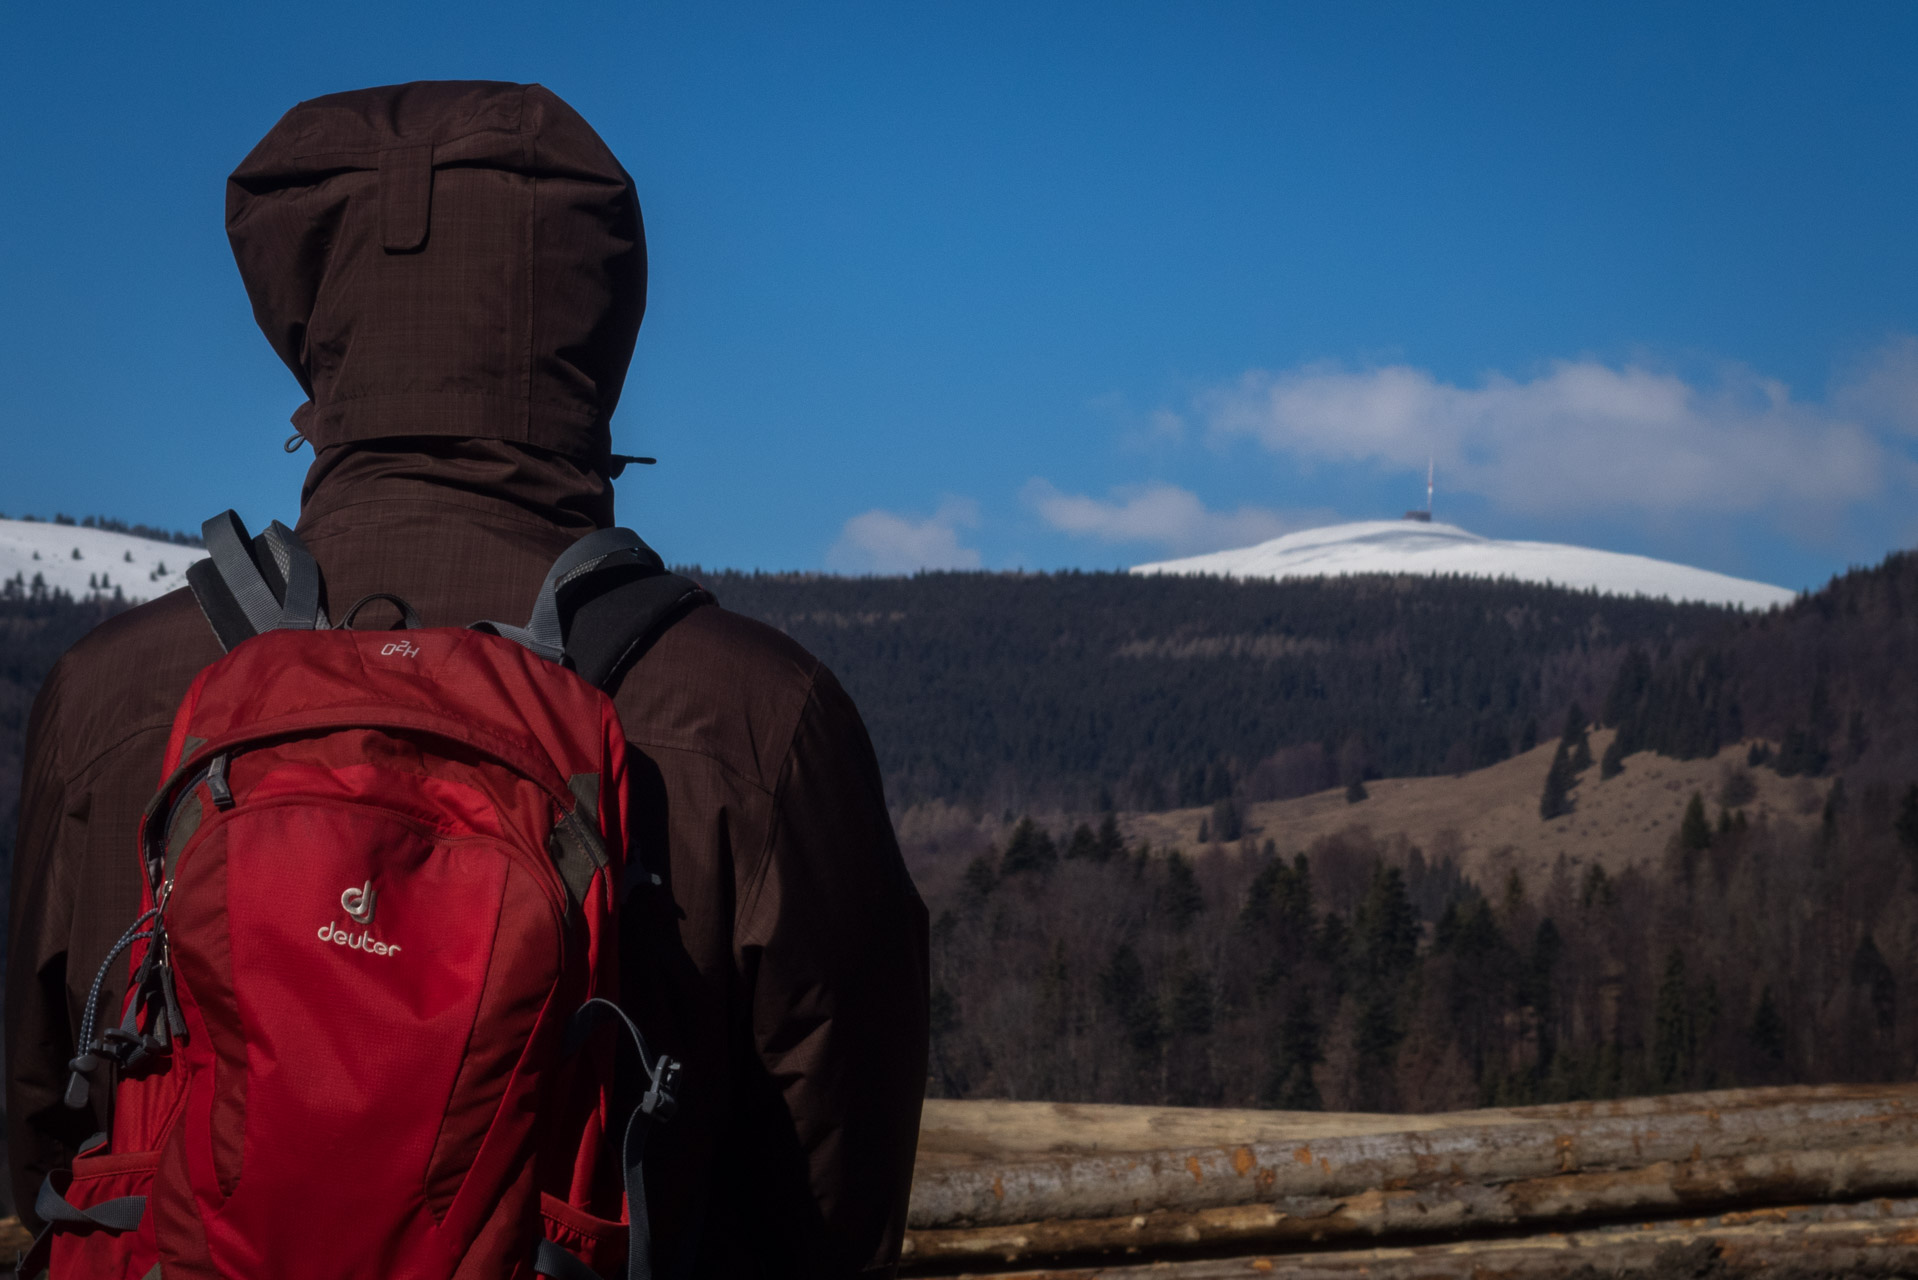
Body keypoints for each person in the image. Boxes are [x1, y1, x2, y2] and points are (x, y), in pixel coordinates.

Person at [6, 81, 929, 1278]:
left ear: (304, 315)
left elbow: (41, 1128)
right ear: (603, 323)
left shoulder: (113, 697)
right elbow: (834, 1206)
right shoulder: (758, 718)